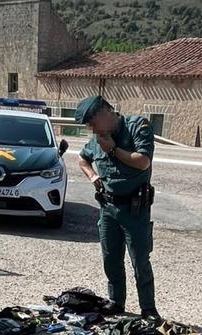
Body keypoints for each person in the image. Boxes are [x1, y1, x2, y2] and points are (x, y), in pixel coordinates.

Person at [75, 95, 160, 320]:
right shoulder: (97, 139)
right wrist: (93, 176)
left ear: (105, 111)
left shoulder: (137, 127)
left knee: (140, 260)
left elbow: (143, 161)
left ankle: (148, 309)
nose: (92, 130)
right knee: (111, 258)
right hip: (108, 207)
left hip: (135, 209)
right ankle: (116, 302)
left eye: (93, 123)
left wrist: (113, 150)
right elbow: (82, 160)